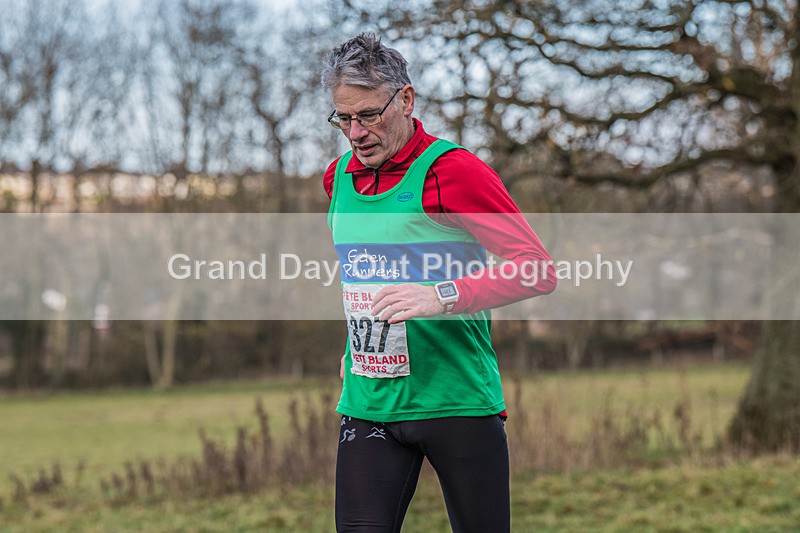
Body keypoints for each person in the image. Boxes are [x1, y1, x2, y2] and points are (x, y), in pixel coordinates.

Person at [321, 33, 556, 533]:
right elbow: (363, 272)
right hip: (370, 401)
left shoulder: (454, 172)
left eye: (368, 115)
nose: (356, 132)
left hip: (455, 401)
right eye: (344, 118)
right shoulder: (338, 177)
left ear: (405, 99)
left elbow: (536, 268)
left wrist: (440, 294)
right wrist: (353, 343)